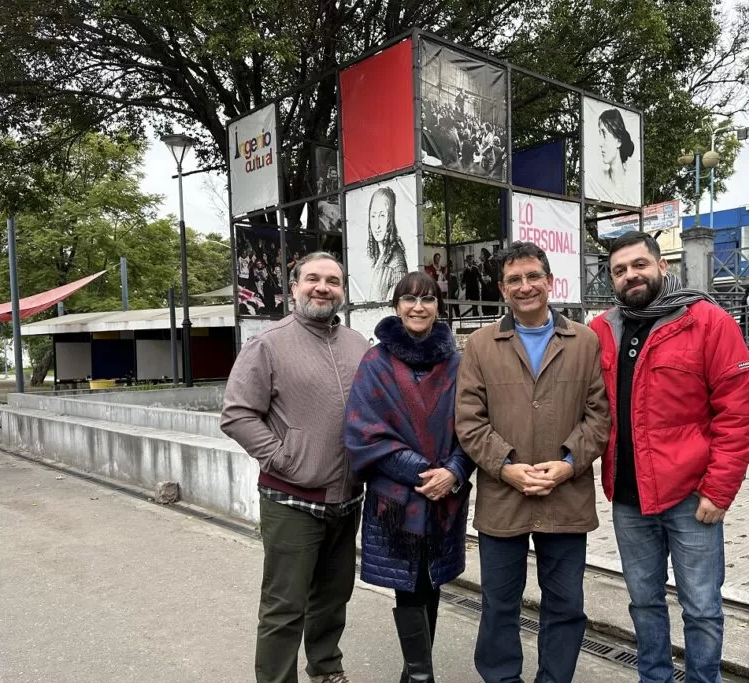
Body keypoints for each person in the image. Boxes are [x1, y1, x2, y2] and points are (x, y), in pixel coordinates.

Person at [588, 232, 749, 683]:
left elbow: (741, 410)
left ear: (662, 266)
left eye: (639, 265)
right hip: (629, 498)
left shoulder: (707, 322)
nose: (631, 275)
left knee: (702, 607)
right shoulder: (602, 331)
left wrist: (719, 491)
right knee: (643, 603)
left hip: (691, 498)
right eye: (620, 270)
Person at [455, 241, 610, 683]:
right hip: (503, 497)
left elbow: (599, 416)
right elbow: (468, 421)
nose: (525, 287)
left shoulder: (584, 341)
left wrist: (567, 463)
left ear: (550, 281)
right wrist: (505, 466)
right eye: (514, 280)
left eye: (533, 277)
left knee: (565, 604)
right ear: (502, 289)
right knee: (500, 604)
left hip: (566, 495)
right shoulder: (481, 345)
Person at [221, 252, 369, 683]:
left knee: (333, 595)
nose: (323, 287)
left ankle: (325, 669)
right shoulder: (268, 344)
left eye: (333, 281)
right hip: (292, 499)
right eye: (313, 279)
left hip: (347, 498)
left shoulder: (358, 345)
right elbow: (237, 414)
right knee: (285, 605)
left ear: (342, 291)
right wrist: (283, 457)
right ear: (294, 287)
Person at [345, 272, 475, 683]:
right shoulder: (376, 362)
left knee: (431, 581)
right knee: (409, 584)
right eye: (409, 299)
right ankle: (419, 675)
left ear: (440, 307)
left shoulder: (458, 363)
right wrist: (426, 473)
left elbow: (476, 426)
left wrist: (454, 471)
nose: (418, 307)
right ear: (396, 305)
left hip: (445, 497)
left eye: (428, 299)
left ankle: (415, 673)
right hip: (396, 501)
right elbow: (363, 432)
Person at [367, 186, 409, 302]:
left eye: (382, 215)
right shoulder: (378, 256)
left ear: (391, 218)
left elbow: (395, 310)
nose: (377, 225)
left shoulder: (396, 264)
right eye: (373, 216)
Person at [594, 108, 636, 205]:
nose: (600, 143)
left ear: (619, 141)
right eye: (600, 134)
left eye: (604, 134)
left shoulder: (631, 183)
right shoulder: (600, 180)